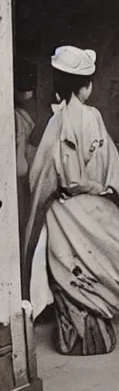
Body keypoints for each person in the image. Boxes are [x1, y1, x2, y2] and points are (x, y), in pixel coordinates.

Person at [24, 46, 119, 355]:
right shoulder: (92, 117)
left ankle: (73, 340)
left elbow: (39, 173)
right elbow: (108, 167)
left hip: (62, 211)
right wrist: (97, 187)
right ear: (86, 85)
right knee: (96, 269)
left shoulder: (55, 123)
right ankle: (97, 339)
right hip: (96, 209)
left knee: (69, 273)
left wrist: (57, 193)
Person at [14, 63, 38, 252]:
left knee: (23, 224)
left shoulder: (22, 115)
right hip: (14, 176)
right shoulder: (12, 116)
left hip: (23, 176)